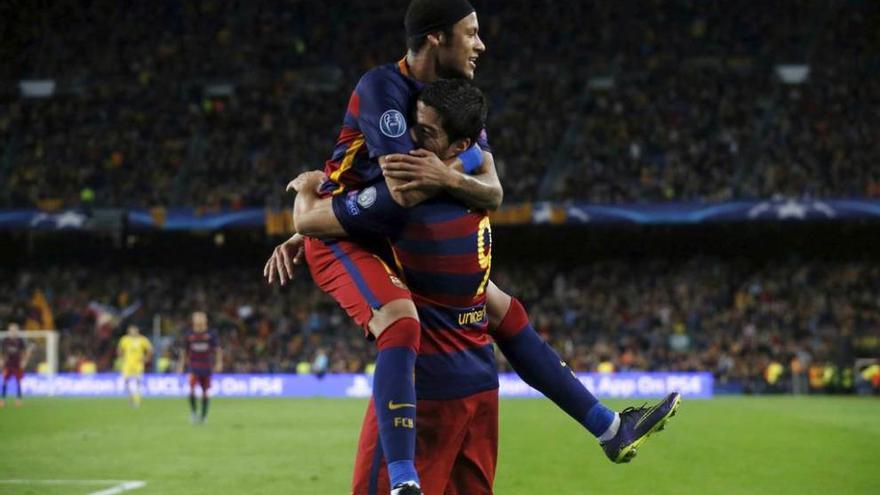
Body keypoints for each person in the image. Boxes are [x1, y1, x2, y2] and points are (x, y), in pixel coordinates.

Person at [264, 1, 679, 491]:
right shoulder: (383, 88)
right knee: (402, 318)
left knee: (495, 305)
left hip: (382, 226)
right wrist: (312, 220)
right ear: (437, 37)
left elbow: (494, 189)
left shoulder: (455, 101)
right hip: (354, 232)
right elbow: (404, 190)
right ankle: (403, 478)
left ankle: (608, 427)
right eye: (472, 33)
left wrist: (444, 172)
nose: (481, 45)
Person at [178, 311, 222, 424]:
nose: (199, 321)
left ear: (205, 321)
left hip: (207, 366)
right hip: (194, 366)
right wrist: (181, 365)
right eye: (197, 319)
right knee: (191, 389)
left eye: (201, 319)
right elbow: (184, 351)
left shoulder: (211, 334)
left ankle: (203, 416)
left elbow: (218, 350)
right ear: (193, 321)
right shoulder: (189, 335)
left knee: (205, 392)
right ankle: (193, 413)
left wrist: (218, 363)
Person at [117, 325, 153, 408]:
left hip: (138, 364)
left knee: (138, 382)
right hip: (127, 364)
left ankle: (137, 400)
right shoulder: (124, 339)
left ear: (137, 331)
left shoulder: (142, 339)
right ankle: (130, 398)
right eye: (131, 330)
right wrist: (121, 357)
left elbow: (150, 349)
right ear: (128, 331)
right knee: (126, 381)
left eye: (134, 330)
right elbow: (119, 349)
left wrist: (146, 358)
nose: (133, 332)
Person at [1, 323, 31, 408]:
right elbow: (1, 351)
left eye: (15, 330)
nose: (13, 332)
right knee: (4, 382)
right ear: (9, 331)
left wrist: (24, 361)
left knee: (18, 382)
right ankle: (2, 399)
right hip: (7, 365)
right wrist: (1, 360)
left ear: (17, 331)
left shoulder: (20, 341)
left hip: (17, 365)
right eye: (11, 330)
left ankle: (18, 400)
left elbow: (27, 351)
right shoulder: (5, 341)